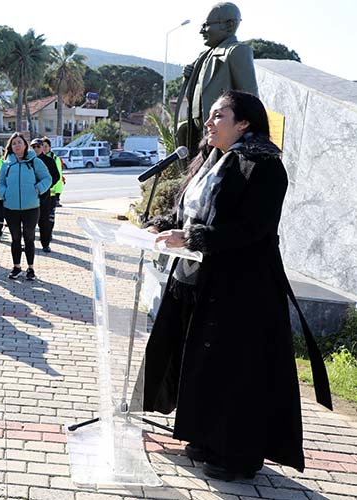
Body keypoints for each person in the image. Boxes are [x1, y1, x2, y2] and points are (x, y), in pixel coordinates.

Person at [142, 91, 331, 482]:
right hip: (197, 279)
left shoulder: (263, 166)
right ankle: (203, 436)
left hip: (242, 287)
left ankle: (237, 455)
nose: (209, 123)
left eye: (219, 115)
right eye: (210, 116)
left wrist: (192, 238)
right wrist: (162, 226)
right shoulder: (210, 159)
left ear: (244, 123)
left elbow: (251, 229)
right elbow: (187, 212)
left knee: (235, 371)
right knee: (201, 363)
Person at [177, 2, 258, 157]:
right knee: (182, 132)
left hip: (223, 136)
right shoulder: (203, 56)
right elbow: (195, 95)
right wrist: (188, 78)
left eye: (206, 25)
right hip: (200, 132)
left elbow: (250, 100)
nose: (201, 31)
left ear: (229, 25)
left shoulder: (236, 51)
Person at [0, 133, 52, 281]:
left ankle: (31, 268)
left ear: (25, 145)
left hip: (31, 208)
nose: (17, 145)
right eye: (14, 143)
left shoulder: (34, 161)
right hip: (11, 208)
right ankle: (16, 267)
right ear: (11, 146)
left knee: (29, 238)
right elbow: (1, 182)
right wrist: (4, 193)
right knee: (15, 238)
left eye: (19, 142)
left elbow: (47, 178)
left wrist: (38, 189)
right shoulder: (7, 163)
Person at [31, 138, 61, 253]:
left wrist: (46, 186)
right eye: (33, 147)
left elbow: (56, 176)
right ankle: (29, 244)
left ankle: (45, 244)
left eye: (38, 146)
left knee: (44, 222)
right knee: (29, 222)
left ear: (42, 147)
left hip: (45, 196)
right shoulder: (28, 161)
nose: (36, 149)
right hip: (30, 196)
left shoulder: (49, 160)